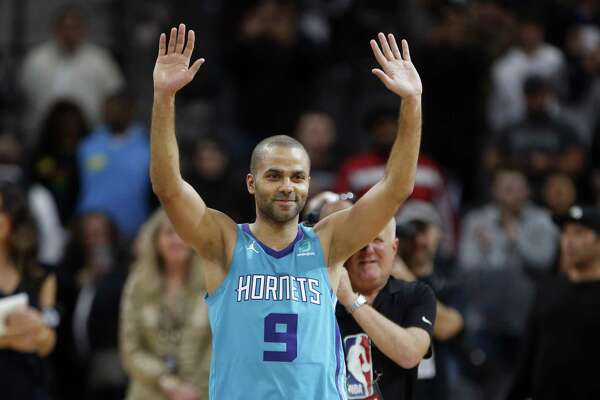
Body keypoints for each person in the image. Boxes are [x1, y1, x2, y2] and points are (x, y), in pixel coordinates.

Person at [150, 23, 422, 399]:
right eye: (274, 175)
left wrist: (412, 102)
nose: (286, 187)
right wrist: (164, 97)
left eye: (297, 177)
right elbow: (168, 187)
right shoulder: (225, 242)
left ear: (309, 184)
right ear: (251, 183)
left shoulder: (328, 244)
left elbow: (397, 188)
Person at [319, 200, 436, 400]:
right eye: (360, 241)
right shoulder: (322, 300)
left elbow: (410, 353)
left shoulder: (416, 295)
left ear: (394, 247)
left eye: (377, 240)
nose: (368, 249)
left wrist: (351, 300)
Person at [507, 205, 600, 400]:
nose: (569, 241)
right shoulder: (548, 289)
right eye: (565, 233)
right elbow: (529, 354)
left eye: (579, 233)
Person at [120, 209, 210, 400]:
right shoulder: (137, 284)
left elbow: (221, 343)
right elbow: (130, 348)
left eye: (182, 233)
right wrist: (163, 379)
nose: (176, 240)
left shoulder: (212, 282)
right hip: (149, 391)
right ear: (156, 240)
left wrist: (195, 387)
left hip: (202, 392)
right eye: (169, 233)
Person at [395, 201, 465, 400]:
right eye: (411, 231)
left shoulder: (449, 280)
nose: (417, 239)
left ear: (439, 234)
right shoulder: (384, 280)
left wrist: (404, 275)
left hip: (436, 386)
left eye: (424, 230)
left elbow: (448, 327)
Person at [0, 183, 57, 400]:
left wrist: (40, 331)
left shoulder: (40, 275)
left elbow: (49, 340)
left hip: (30, 386)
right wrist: (12, 339)